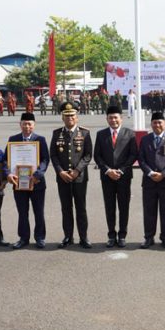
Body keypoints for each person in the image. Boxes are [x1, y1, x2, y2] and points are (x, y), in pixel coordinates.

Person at [93, 105, 139, 248]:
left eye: (116, 117)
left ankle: (123, 235)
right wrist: (108, 170)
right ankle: (111, 235)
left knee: (124, 206)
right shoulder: (101, 134)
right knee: (110, 206)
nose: (113, 120)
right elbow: (97, 156)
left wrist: (120, 170)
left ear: (121, 118)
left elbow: (133, 155)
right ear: (107, 119)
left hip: (123, 177)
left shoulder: (129, 133)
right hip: (107, 177)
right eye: (110, 117)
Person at [50, 102, 93, 249]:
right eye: (67, 116)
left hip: (79, 177)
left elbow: (88, 155)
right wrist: (60, 171)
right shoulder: (57, 134)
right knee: (66, 208)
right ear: (62, 117)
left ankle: (83, 237)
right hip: (63, 178)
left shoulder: (85, 133)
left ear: (77, 117)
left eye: (72, 115)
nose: (70, 118)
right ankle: (68, 236)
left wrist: (77, 170)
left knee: (81, 207)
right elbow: (53, 155)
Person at [7, 113, 50, 249]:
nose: (27, 126)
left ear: (34, 125)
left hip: (36, 182)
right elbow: (5, 159)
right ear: (20, 124)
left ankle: (39, 237)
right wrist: (8, 174)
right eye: (24, 123)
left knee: (39, 211)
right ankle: (23, 238)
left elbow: (45, 159)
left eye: (29, 124)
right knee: (22, 212)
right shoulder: (13, 139)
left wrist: (38, 174)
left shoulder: (40, 140)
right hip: (19, 182)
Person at [138, 111, 165, 249]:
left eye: (160, 122)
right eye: (154, 122)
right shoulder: (145, 139)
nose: (157, 125)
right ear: (151, 124)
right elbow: (141, 159)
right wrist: (150, 172)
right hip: (149, 181)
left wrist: (163, 174)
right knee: (149, 210)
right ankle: (149, 237)